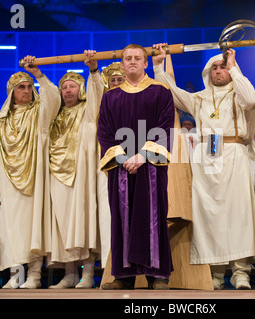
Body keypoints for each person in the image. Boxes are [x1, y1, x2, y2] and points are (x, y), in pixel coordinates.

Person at [153, 43, 255, 290]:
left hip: (234, 154)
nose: (219, 71)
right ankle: (214, 271)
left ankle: (240, 272)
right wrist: (159, 66)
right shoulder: (199, 98)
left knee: (238, 214)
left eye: (223, 67)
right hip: (205, 158)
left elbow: (249, 99)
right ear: (208, 72)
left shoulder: (240, 92)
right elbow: (172, 93)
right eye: (215, 67)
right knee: (208, 216)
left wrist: (234, 68)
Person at [97, 44, 174, 290]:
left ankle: (158, 276)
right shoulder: (110, 97)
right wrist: (122, 158)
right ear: (122, 63)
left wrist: (142, 155)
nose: (132, 61)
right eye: (127, 58)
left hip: (150, 166)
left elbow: (164, 127)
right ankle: (123, 276)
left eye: (137, 58)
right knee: (121, 219)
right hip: (120, 168)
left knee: (153, 217)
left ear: (145, 63)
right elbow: (106, 132)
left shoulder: (160, 93)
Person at [0, 56, 60, 289]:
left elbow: (53, 97)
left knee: (33, 227)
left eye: (29, 87)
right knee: (11, 229)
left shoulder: (39, 112)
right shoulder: (1, 120)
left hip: (35, 179)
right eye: (22, 87)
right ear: (11, 91)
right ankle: (15, 274)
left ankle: (35, 276)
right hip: (9, 183)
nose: (27, 90)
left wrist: (38, 74)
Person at [47, 51, 109, 289]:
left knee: (83, 223)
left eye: (73, 86)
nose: (68, 91)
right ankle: (70, 274)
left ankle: (88, 274)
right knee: (62, 224)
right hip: (57, 175)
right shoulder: (56, 114)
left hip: (81, 175)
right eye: (64, 87)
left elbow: (97, 92)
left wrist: (93, 70)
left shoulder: (87, 110)